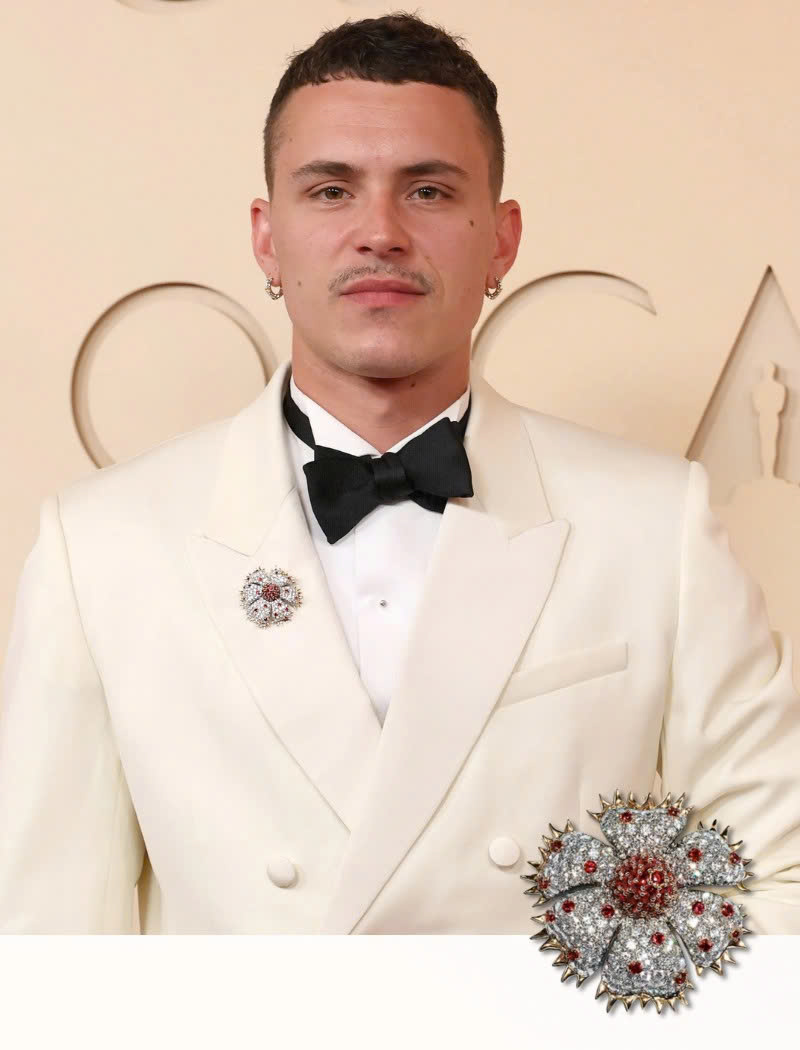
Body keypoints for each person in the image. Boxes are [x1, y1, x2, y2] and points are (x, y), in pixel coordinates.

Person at [1, 11, 798, 936]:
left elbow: (778, 883)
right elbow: (47, 942)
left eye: (427, 190)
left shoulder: (654, 524)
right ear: (267, 237)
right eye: (331, 190)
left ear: (501, 240)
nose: (379, 232)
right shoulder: (101, 545)